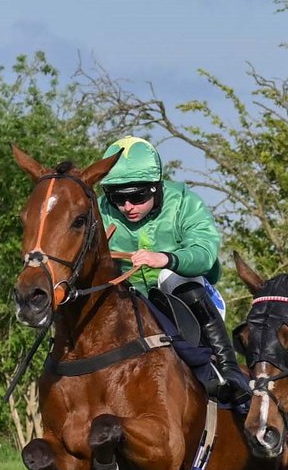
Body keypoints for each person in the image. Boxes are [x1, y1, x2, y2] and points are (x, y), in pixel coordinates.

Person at [97, 136, 247, 405]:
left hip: (185, 299)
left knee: (170, 277)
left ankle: (228, 370)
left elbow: (205, 253)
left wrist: (164, 258)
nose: (126, 207)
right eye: (117, 197)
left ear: (156, 187)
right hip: (129, 303)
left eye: (137, 196)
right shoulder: (101, 209)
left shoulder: (184, 202)